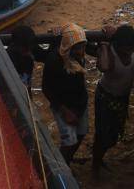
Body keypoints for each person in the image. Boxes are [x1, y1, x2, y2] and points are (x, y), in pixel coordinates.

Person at [92, 24, 134, 176]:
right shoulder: (109, 52)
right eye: (127, 48)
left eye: (132, 47)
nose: (130, 51)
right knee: (102, 135)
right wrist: (104, 43)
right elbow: (103, 67)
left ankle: (99, 159)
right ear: (118, 45)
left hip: (122, 98)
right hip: (105, 98)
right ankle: (96, 163)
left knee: (114, 135)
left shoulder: (133, 49)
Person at [42, 23, 89, 164]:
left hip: (80, 102)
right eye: (77, 47)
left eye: (82, 46)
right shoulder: (54, 61)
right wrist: (65, 111)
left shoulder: (78, 57)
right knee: (69, 140)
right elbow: (46, 89)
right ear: (68, 46)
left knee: (81, 133)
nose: (81, 51)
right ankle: (62, 169)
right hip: (63, 105)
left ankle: (66, 162)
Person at [6, 25, 47, 93]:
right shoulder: (8, 58)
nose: (28, 51)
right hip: (14, 91)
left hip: (26, 88)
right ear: (15, 45)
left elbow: (45, 56)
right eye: (24, 48)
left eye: (29, 47)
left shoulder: (31, 48)